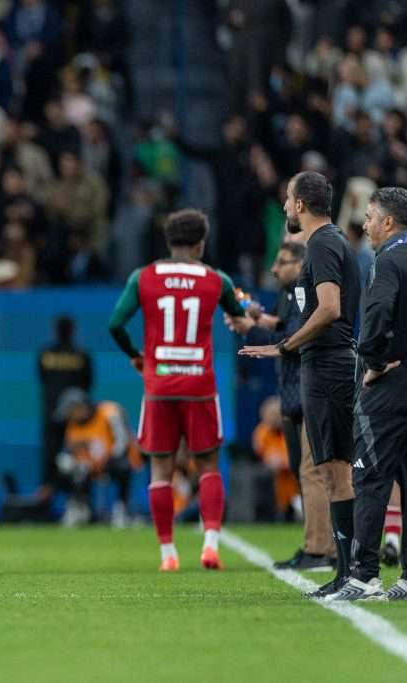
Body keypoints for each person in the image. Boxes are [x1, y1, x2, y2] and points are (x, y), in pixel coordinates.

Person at [326, 187, 407, 602]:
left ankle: (364, 575)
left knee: (370, 476)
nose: (364, 224)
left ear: (388, 222)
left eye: (369, 216)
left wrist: (375, 362)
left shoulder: (386, 262)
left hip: (388, 390)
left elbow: (377, 316)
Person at [241, 171, 361, 599]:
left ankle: (354, 574)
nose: (286, 206)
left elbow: (329, 309)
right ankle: (350, 573)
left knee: (336, 473)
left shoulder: (324, 243)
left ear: (301, 205)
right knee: (331, 473)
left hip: (328, 365)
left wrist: (285, 346)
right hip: (322, 364)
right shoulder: (323, 244)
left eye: (289, 198)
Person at [108, 209, 245, 571]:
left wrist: (136, 356)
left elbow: (115, 324)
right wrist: (247, 313)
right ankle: (211, 544)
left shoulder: (144, 277)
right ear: (201, 244)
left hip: (160, 382)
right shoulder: (216, 279)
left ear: (169, 242)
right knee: (208, 465)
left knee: (160, 469)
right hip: (199, 384)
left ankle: (168, 554)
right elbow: (240, 315)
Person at [226, 242, 336, 570]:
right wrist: (258, 321)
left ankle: (321, 548)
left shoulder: (305, 290)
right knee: (305, 471)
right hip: (293, 391)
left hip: (308, 389)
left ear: (300, 263)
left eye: (283, 262)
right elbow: (286, 327)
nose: (275, 269)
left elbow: (298, 335)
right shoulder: (290, 294)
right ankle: (315, 544)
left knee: (312, 471)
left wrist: (262, 334)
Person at [53, 388, 138, 527]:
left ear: (80, 407)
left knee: (122, 466)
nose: (69, 417)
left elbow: (122, 443)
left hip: (112, 460)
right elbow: (70, 449)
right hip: (87, 466)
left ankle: (122, 510)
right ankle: (79, 509)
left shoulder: (109, 412)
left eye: (70, 412)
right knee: (65, 467)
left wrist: (102, 461)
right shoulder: (73, 425)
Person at [36, 316, 93, 503]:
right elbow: (87, 384)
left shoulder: (45, 354)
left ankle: (48, 501)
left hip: (52, 416)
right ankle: (79, 499)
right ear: (73, 330)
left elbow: (42, 380)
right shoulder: (81, 355)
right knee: (79, 459)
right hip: (76, 421)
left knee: (50, 461)